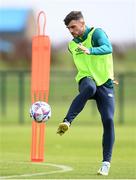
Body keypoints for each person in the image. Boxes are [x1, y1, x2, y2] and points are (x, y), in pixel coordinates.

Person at [57, 11, 115, 176]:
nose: (71, 31)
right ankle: (67, 121)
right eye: (69, 28)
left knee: (109, 120)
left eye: (73, 27)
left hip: (105, 83)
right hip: (86, 80)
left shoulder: (97, 33)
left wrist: (91, 50)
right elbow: (85, 65)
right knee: (90, 88)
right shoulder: (72, 45)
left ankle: (105, 164)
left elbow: (107, 48)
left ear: (82, 23)